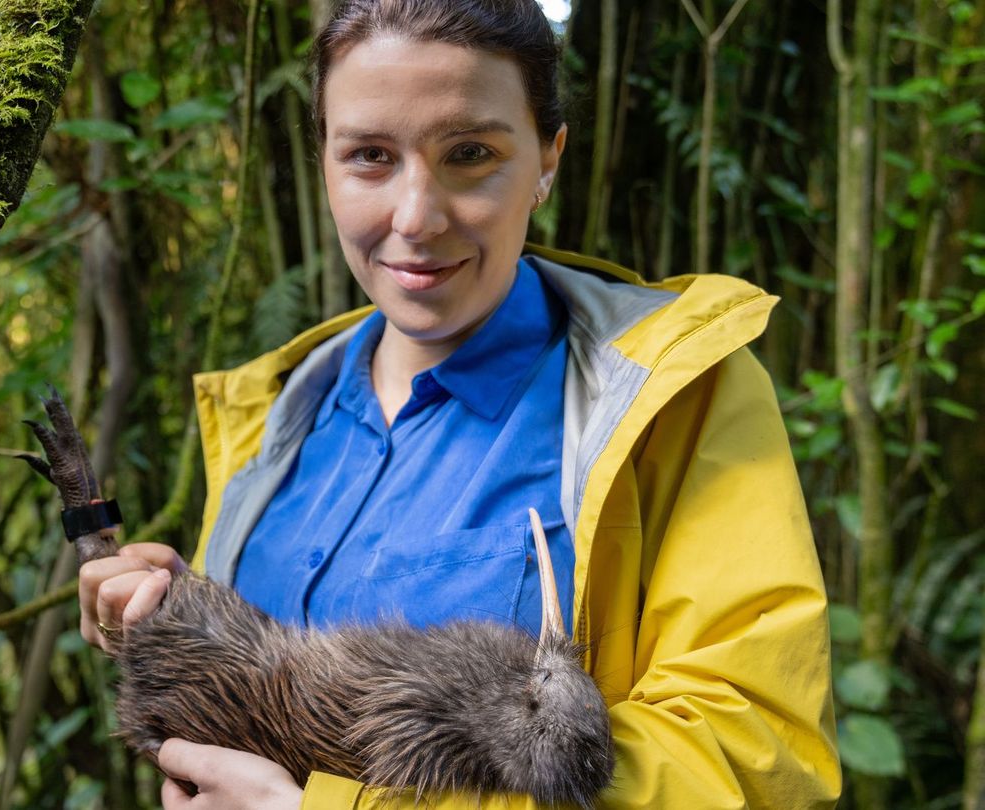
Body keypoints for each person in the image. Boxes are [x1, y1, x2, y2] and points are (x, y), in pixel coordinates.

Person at [79, 0, 842, 807]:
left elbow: (759, 764)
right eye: (370, 156)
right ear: (324, 164)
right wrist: (172, 618)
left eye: (470, 153)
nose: (417, 218)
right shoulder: (273, 411)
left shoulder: (675, 392)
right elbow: (259, 708)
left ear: (548, 159)